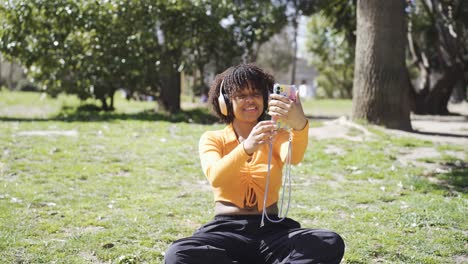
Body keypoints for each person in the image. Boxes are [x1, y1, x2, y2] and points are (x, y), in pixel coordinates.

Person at [164, 64, 344, 264]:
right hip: (226, 230)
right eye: (241, 95)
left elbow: (294, 157)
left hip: (272, 230)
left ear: (265, 98)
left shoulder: (278, 136)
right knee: (178, 253)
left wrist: (299, 124)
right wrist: (247, 147)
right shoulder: (212, 138)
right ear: (225, 102)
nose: (250, 100)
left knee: (329, 241)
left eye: (256, 93)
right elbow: (216, 176)